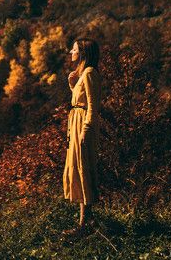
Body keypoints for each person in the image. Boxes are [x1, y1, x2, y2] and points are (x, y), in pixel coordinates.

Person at [62, 37, 101, 236]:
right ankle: (86, 222)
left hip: (82, 125)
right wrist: (72, 85)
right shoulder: (82, 74)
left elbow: (93, 106)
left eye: (74, 49)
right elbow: (81, 100)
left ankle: (85, 225)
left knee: (83, 168)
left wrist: (86, 129)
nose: (71, 52)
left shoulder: (90, 73)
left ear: (83, 53)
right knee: (78, 168)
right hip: (76, 123)